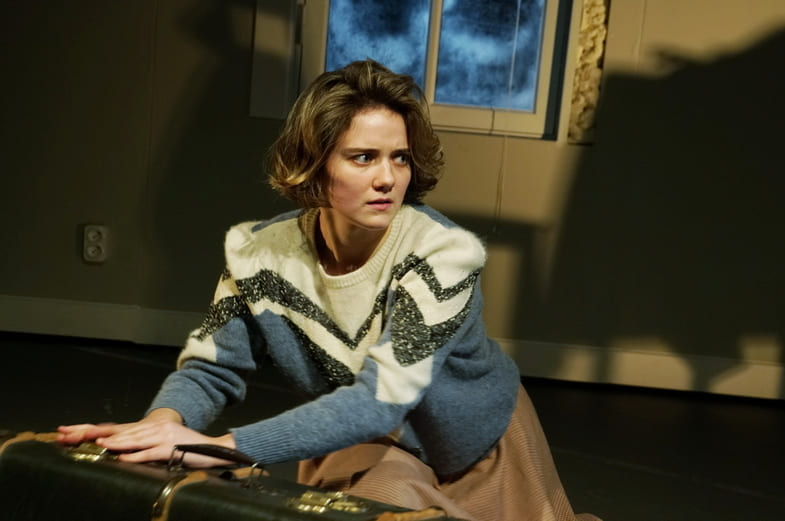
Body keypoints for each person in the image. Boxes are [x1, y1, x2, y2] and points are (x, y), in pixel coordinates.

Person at [59, 59, 599, 521]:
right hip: (359, 437)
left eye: (400, 157)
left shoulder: (443, 255)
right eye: (363, 157)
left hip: (475, 447)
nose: (388, 178)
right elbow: (210, 369)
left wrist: (221, 448)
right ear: (314, 166)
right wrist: (160, 426)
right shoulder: (259, 255)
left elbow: (381, 399)